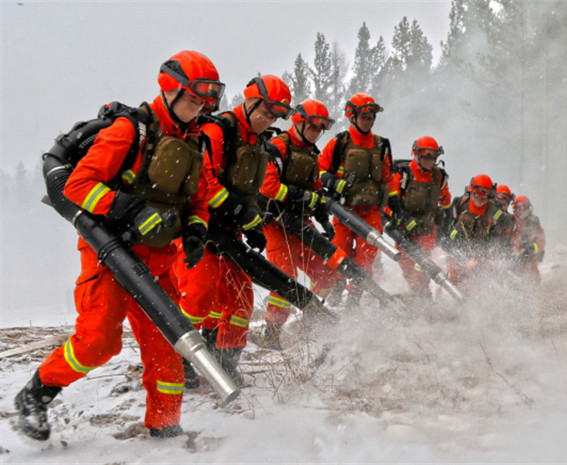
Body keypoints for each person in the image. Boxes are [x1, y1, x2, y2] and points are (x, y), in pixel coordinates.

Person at [15, 50, 223, 440]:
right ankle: (36, 394)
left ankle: (166, 431)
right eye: (193, 98)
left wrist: (196, 229)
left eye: (205, 101)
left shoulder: (196, 141)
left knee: (168, 347)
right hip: (109, 253)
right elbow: (77, 185)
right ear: (171, 90)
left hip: (159, 258)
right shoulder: (130, 130)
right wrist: (126, 208)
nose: (199, 107)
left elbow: (198, 198)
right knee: (98, 342)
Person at [173, 75, 291, 383]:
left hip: (231, 233)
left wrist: (254, 222)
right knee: (198, 299)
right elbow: (205, 184)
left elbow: (252, 189)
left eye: (277, 115)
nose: (270, 119)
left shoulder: (258, 143)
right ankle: (178, 362)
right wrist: (241, 213)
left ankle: (226, 362)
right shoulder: (218, 130)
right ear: (251, 102)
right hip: (201, 229)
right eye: (267, 111)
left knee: (241, 301)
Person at [259, 98, 339, 348]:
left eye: (321, 129)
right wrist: (299, 196)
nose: (317, 133)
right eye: (314, 127)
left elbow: (316, 188)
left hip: (300, 222)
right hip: (275, 222)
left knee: (327, 272)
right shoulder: (277, 147)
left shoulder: (311, 154)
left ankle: (313, 319)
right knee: (285, 277)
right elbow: (268, 186)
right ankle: (272, 333)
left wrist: (324, 217)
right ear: (300, 122)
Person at [317, 93, 398, 307]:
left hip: (371, 210)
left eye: (371, 115)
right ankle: (337, 286)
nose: (368, 119)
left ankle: (354, 299)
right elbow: (319, 170)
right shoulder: (340, 143)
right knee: (339, 250)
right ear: (352, 116)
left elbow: (389, 178)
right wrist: (335, 183)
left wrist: (394, 205)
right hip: (344, 209)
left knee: (366, 256)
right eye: (364, 114)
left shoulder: (382, 145)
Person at [388, 136, 452, 298]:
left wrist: (445, 221)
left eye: (433, 155)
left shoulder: (440, 177)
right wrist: (403, 219)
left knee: (421, 266)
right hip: (404, 231)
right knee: (407, 268)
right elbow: (389, 202)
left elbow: (446, 201)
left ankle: (424, 297)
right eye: (425, 154)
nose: (429, 159)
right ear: (416, 154)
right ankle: (418, 296)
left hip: (427, 230)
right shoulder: (403, 174)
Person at [445, 174, 510, 284]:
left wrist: (502, 219)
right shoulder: (460, 203)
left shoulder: (493, 209)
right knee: (454, 275)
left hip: (482, 251)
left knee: (477, 277)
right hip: (459, 248)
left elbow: (506, 226)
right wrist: (452, 240)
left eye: (484, 194)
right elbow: (446, 226)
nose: (480, 198)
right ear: (472, 191)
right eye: (478, 193)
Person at [511, 195, 546, 284]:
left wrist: (532, 248)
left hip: (530, 256)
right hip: (513, 257)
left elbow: (541, 239)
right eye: (519, 207)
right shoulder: (510, 220)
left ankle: (535, 289)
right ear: (514, 208)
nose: (521, 209)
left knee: (532, 272)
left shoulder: (534, 221)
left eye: (524, 206)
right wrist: (516, 250)